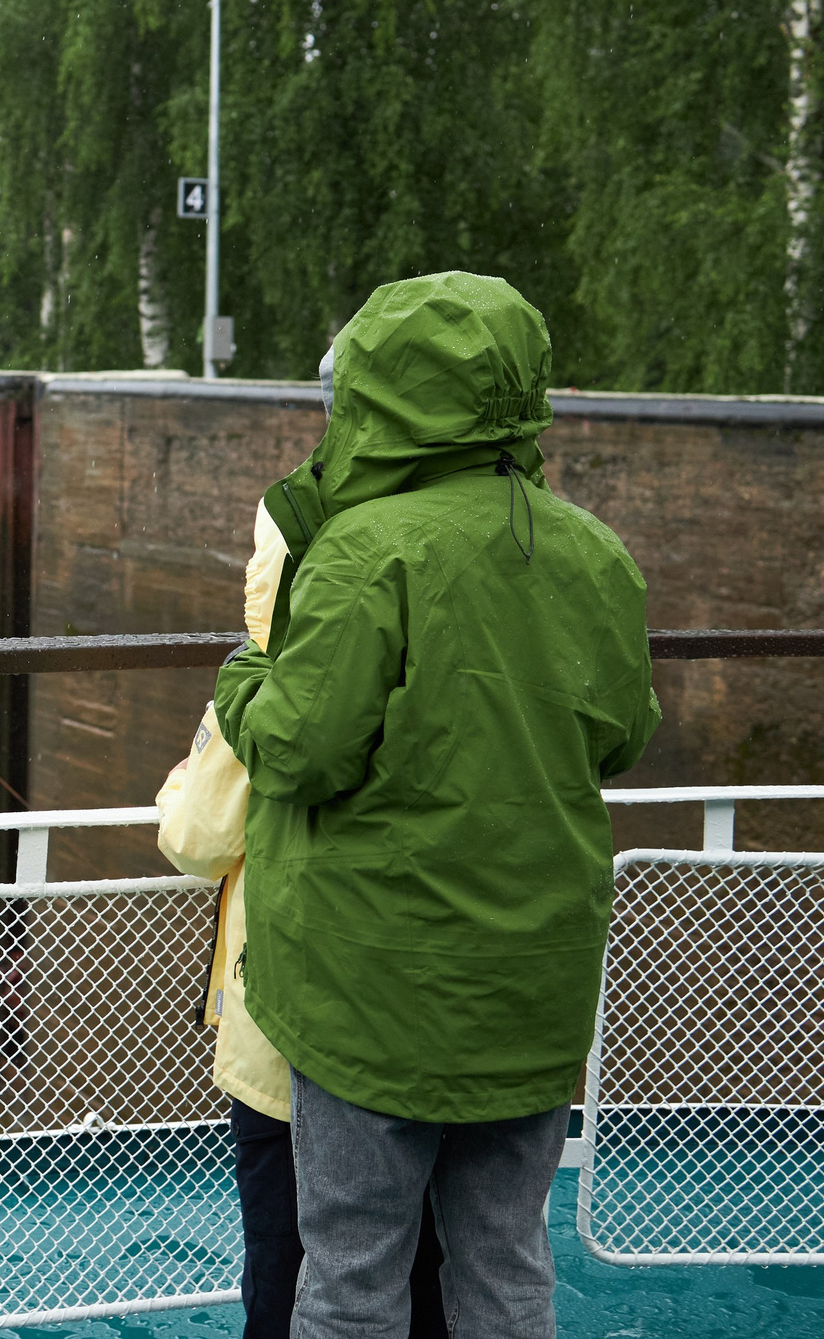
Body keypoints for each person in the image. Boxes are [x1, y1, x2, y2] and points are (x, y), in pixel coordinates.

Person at [214, 272, 661, 1339]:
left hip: (370, 985)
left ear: (375, 394)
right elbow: (621, 733)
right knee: (507, 1263)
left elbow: (298, 747)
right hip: (529, 988)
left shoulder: (364, 551)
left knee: (352, 1272)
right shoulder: (591, 551)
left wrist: (242, 676)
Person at [156, 483, 443, 1339]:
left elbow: (196, 834)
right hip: (438, 1029)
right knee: (427, 1265)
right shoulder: (442, 663)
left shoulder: (277, 692)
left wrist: (193, 765)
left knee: (286, 1261)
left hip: (282, 1039)